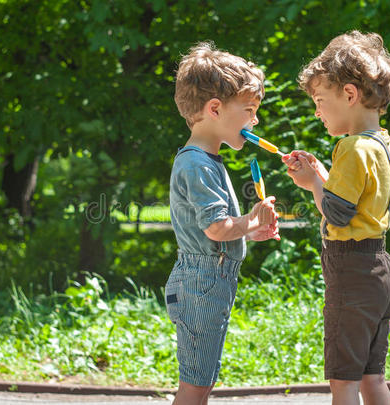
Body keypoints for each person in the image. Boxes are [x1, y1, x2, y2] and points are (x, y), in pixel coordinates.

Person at [283, 31, 390, 405]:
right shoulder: (380, 143)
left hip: (351, 272)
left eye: (320, 101)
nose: (317, 111)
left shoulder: (350, 147)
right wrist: (321, 177)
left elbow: (336, 212)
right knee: (372, 377)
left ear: (349, 95)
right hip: (379, 269)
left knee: (343, 381)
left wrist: (312, 183)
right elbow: (355, 202)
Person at [166, 42, 280, 405]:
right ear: (214, 109)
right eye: (249, 111)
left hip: (210, 279)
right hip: (201, 281)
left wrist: (252, 230)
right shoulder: (198, 163)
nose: (255, 121)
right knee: (196, 384)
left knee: (203, 379)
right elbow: (216, 228)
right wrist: (248, 220)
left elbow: (221, 229)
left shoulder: (208, 160)